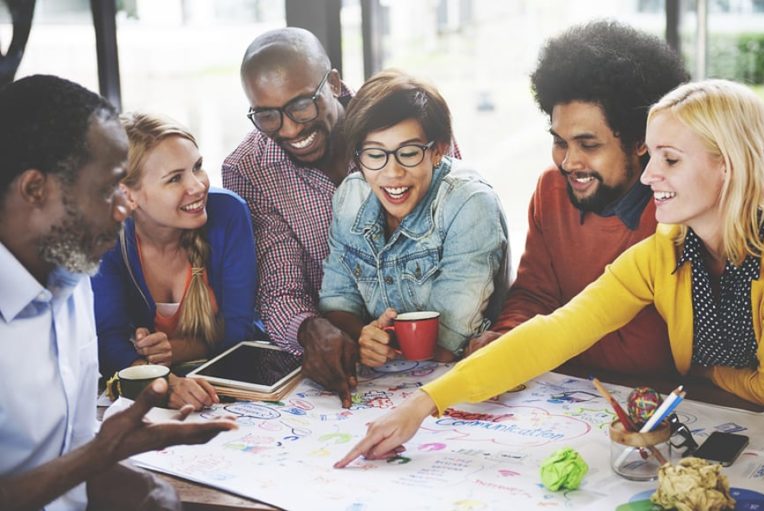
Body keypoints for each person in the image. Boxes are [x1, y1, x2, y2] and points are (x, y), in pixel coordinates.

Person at [336, 79, 764, 467]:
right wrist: (423, 403)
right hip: (717, 427)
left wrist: (699, 373)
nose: (649, 175)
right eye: (652, 155)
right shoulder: (664, 250)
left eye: (669, 159)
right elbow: (557, 331)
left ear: (726, 165)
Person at [0, 75, 235, 510]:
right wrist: (99, 456)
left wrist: (142, 489)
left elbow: (69, 455)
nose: (126, 208)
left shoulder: (72, 281)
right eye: (109, 189)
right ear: (35, 190)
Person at [224, 28, 459, 407]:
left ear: (332, 83)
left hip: (443, 342)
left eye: (302, 105)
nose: (290, 128)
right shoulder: (249, 168)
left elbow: (462, 232)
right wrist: (309, 329)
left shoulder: (409, 114)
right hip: (345, 359)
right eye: (267, 116)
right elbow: (279, 289)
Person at [465, 20, 688, 375]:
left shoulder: (675, 210)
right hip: (566, 391)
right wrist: (506, 337)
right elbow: (535, 295)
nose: (569, 162)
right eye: (560, 142)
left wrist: (536, 344)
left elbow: (654, 350)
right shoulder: (551, 190)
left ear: (641, 141)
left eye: (589, 145)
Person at [319, 70, 508, 365]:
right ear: (358, 158)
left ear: (438, 150)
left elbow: (447, 342)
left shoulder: (469, 203)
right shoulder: (350, 197)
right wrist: (366, 337)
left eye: (408, 153)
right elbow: (336, 304)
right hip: (384, 377)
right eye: (375, 154)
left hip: (458, 373)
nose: (393, 172)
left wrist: (379, 344)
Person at [92, 112, 262, 410]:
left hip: (229, 380)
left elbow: (240, 328)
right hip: (158, 389)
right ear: (128, 195)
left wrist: (174, 350)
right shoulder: (106, 238)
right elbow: (107, 341)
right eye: (174, 178)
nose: (198, 186)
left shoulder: (229, 213)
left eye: (197, 167)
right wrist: (165, 383)